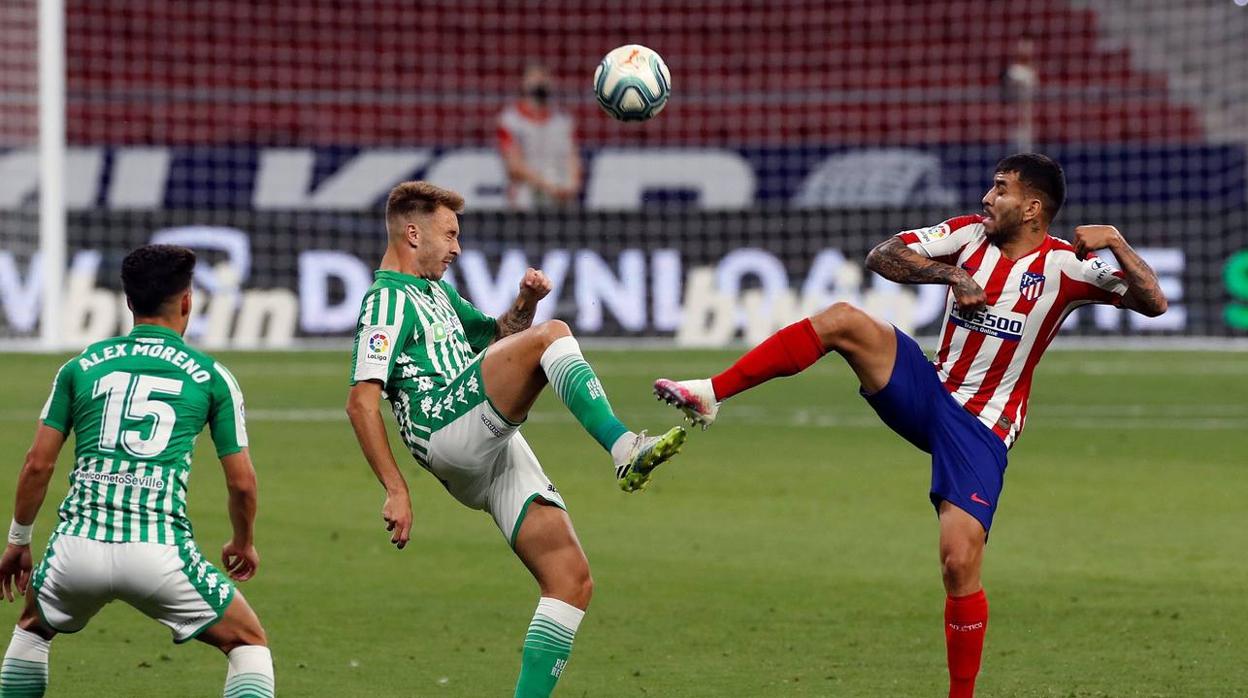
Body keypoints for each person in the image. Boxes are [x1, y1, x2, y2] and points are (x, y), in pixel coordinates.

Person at [654, 154, 1167, 698]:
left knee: (957, 562)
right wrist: (951, 273)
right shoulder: (968, 237)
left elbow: (1153, 301)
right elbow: (884, 254)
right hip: (929, 388)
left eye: (1001, 190)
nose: (987, 198)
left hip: (982, 425)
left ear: (1033, 207)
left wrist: (1113, 239)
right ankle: (711, 393)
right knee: (843, 320)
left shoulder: (1067, 267)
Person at [344, 181, 685, 697]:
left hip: (488, 445)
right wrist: (395, 488)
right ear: (413, 233)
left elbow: (502, 341)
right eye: (450, 234)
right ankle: (623, 449)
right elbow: (361, 401)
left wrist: (523, 302)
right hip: (444, 428)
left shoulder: (436, 292)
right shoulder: (384, 302)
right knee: (553, 336)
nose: (458, 247)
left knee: (570, 580)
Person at [0, 245, 274, 697]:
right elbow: (242, 482)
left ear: (128, 302)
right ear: (188, 300)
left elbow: (37, 464)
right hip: (159, 552)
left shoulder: (79, 367)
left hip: (76, 549)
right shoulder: (211, 376)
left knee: (31, 629)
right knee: (247, 642)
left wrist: (18, 541)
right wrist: (242, 541)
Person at [498, 65, 582, 209]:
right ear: (524, 83)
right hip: (527, 196)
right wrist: (547, 185)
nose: (540, 82)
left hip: (559, 194)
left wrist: (572, 185)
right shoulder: (510, 120)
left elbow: (572, 157)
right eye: (534, 77)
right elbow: (514, 165)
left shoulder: (563, 121)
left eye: (543, 77)